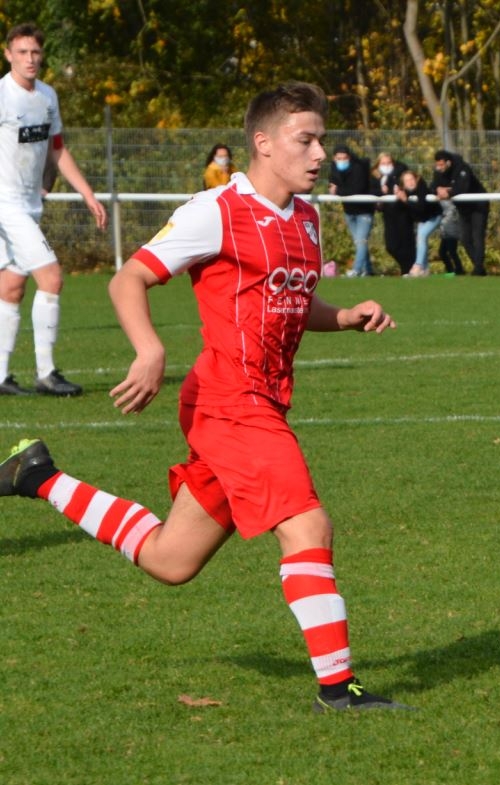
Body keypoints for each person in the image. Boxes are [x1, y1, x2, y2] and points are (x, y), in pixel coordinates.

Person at [0, 81, 408, 713]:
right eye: (305, 140)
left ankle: (37, 476)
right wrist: (149, 350)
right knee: (308, 524)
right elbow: (128, 278)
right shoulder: (216, 210)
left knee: (171, 560)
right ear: (263, 143)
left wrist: (346, 315)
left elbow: (293, 302)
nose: (319, 153)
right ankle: (338, 688)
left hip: (258, 402)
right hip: (230, 400)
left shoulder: (306, 217)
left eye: (322, 140)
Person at [0, 22, 107, 397]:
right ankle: (46, 373)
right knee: (51, 277)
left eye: (35, 52)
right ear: (8, 54)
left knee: (11, 287)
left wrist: (87, 193)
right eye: (22, 52)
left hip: (30, 205)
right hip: (5, 205)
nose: (30, 59)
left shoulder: (47, 96)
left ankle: (0, 376)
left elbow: (57, 149)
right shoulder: (2, 95)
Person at [432, 149, 488, 276]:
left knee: (477, 237)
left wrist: (448, 192)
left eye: (441, 165)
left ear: (448, 163)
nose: (439, 168)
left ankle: (478, 269)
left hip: (478, 205)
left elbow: (463, 187)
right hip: (463, 208)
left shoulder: (462, 168)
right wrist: (438, 189)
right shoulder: (438, 172)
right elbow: (433, 186)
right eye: (437, 165)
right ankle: (479, 268)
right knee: (465, 239)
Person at [328, 144, 375, 277]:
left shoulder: (358, 168)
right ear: (334, 158)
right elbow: (332, 183)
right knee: (359, 242)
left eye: (344, 158)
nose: (342, 161)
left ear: (349, 157)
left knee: (361, 241)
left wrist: (337, 190)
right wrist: (332, 187)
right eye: (339, 158)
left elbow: (356, 189)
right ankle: (368, 270)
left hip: (364, 210)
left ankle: (356, 270)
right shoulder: (334, 168)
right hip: (349, 211)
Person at [396, 168, 443, 277]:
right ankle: (424, 269)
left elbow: (421, 207)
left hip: (434, 216)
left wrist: (406, 200)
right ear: (403, 185)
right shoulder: (404, 192)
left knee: (421, 236)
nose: (410, 182)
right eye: (407, 181)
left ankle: (418, 266)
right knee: (420, 239)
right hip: (422, 219)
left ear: (416, 179)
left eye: (412, 179)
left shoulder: (422, 188)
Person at [373, 152, 414, 276]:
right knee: (391, 246)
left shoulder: (401, 173)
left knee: (406, 243)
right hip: (388, 214)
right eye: (383, 163)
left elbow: (409, 187)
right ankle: (408, 267)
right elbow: (371, 191)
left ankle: (409, 270)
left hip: (403, 212)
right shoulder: (375, 176)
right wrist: (380, 192)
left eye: (389, 163)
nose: (386, 166)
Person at [437, 199, 463, 276]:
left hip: (451, 231)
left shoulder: (452, 206)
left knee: (452, 251)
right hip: (445, 231)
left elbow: (452, 215)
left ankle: (459, 270)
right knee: (442, 252)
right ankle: (451, 270)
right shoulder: (442, 202)